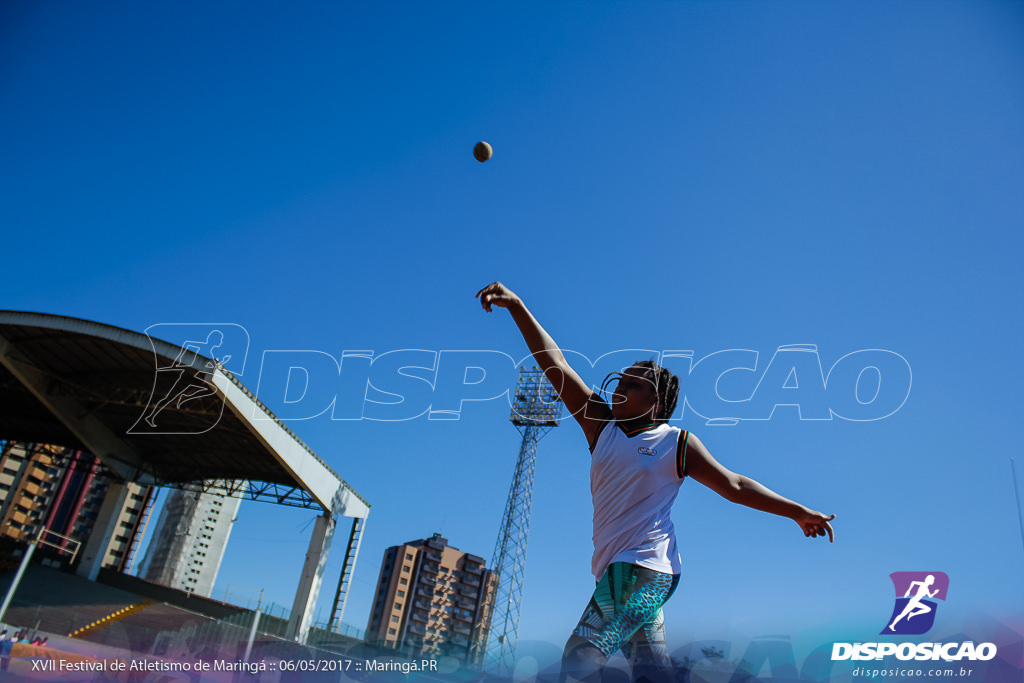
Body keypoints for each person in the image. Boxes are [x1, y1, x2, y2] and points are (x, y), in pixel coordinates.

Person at [476, 282, 835, 683]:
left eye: (633, 385)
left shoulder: (674, 442)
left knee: (582, 653)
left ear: (657, 403)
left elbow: (733, 486)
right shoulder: (601, 425)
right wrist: (518, 306)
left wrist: (797, 512)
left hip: (646, 568)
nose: (619, 387)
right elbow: (554, 362)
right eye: (620, 380)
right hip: (614, 569)